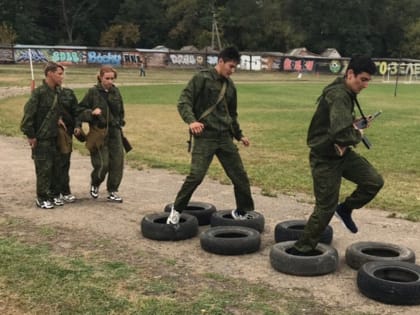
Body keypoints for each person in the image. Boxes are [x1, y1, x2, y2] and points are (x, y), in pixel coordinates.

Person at [291, 55, 384, 255]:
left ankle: (345, 209)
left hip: (342, 154)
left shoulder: (346, 92)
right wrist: (358, 133)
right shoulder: (339, 95)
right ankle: (301, 251)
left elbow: (340, 126)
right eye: (363, 79)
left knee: (373, 181)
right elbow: (340, 133)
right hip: (324, 157)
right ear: (350, 74)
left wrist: (356, 122)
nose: (366, 85)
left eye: (368, 80)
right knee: (325, 207)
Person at [167, 46, 255, 224]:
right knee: (196, 176)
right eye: (230, 66)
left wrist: (239, 135)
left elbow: (232, 115)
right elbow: (184, 102)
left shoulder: (230, 87)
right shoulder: (202, 78)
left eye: (235, 67)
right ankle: (176, 211)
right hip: (205, 137)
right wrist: (191, 121)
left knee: (240, 176)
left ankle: (242, 211)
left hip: (224, 138)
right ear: (220, 61)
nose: (233, 70)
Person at [74, 65, 126, 203]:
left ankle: (113, 190)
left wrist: (120, 121)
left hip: (115, 132)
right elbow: (79, 110)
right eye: (107, 78)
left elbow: (121, 110)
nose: (109, 81)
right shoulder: (92, 92)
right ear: (100, 77)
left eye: (112, 78)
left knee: (117, 162)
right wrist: (91, 113)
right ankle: (95, 182)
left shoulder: (116, 92)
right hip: (99, 131)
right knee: (103, 163)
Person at [20, 62, 66, 209]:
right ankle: (42, 197)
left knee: (55, 168)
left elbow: (55, 110)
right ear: (50, 74)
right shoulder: (39, 93)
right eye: (59, 74)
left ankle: (52, 194)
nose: (62, 77)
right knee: (43, 169)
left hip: (53, 137)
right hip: (41, 138)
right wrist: (31, 136)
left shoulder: (57, 92)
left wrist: (58, 119)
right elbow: (28, 117)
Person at [54, 86, 79, 203]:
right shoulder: (45, 92)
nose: (60, 76)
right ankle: (54, 192)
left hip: (67, 132)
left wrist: (77, 125)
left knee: (65, 161)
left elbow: (76, 111)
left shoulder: (69, 93)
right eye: (58, 73)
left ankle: (65, 190)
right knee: (54, 163)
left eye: (61, 73)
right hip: (52, 132)